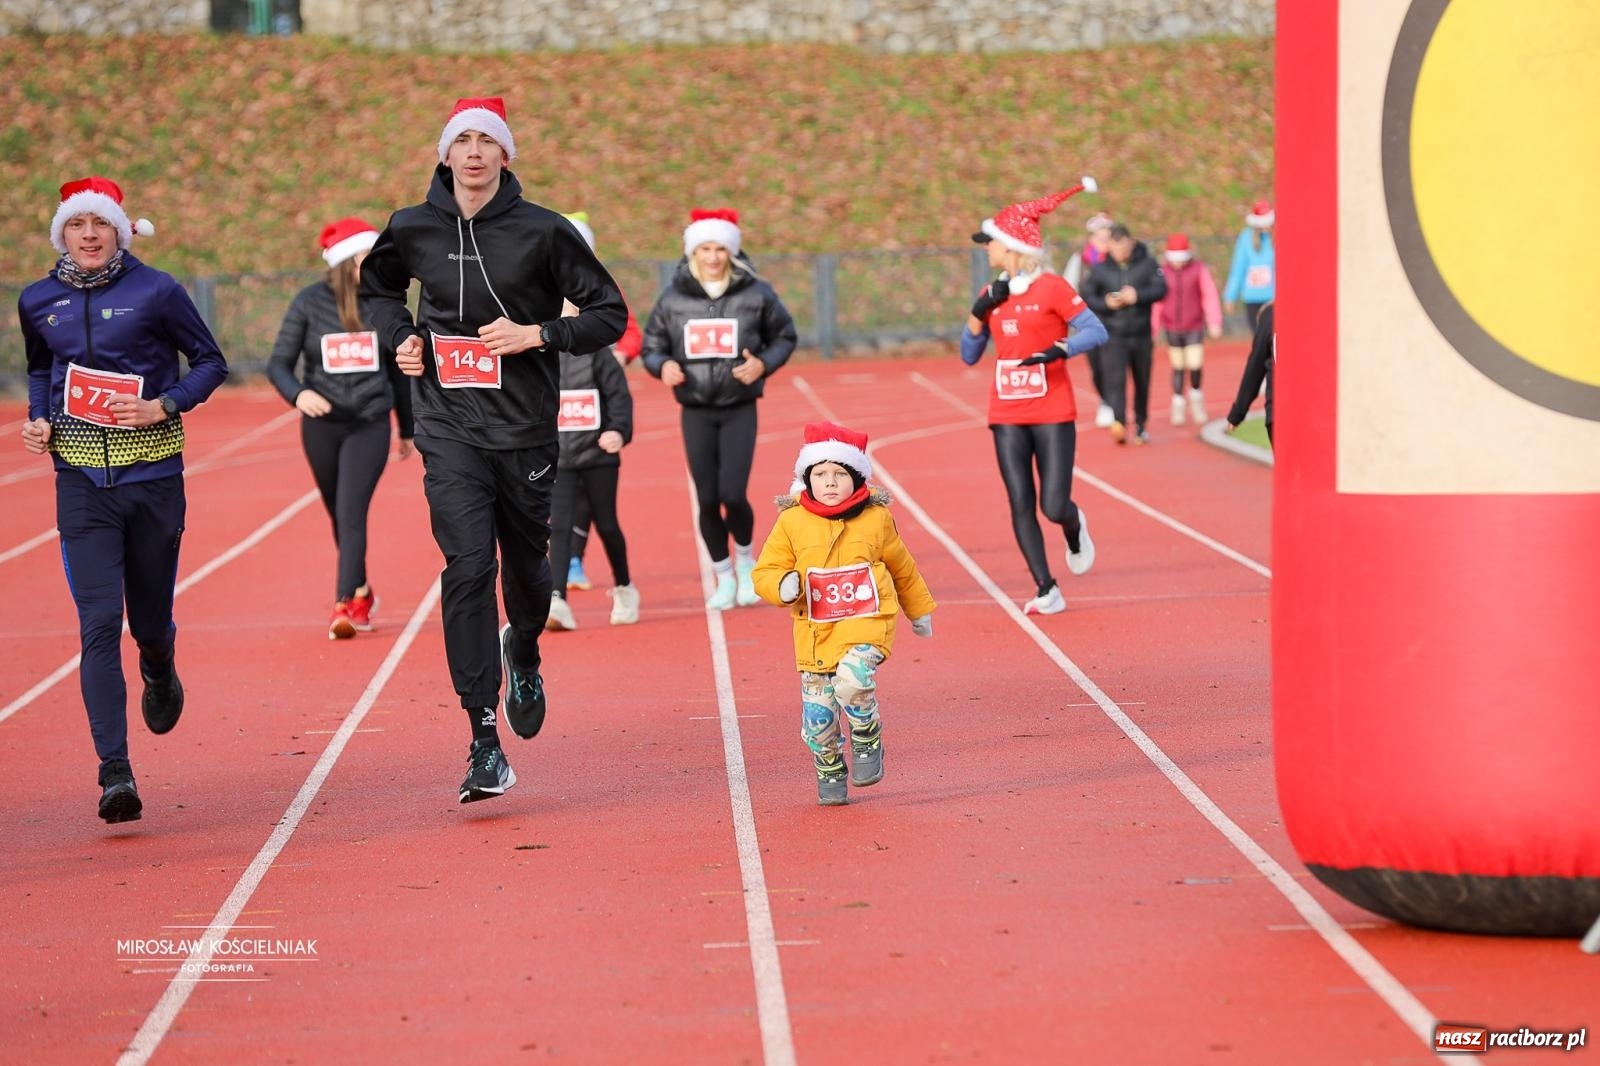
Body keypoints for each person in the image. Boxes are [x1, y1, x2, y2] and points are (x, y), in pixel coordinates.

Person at [359, 97, 627, 803]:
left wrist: (539, 334)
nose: (474, 152)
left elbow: (609, 314)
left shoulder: (545, 230)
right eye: (462, 140)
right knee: (469, 567)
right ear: (445, 154)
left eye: (487, 141)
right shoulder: (411, 226)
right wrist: (402, 338)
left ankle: (524, 647)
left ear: (505, 155)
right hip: (447, 425)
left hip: (524, 427)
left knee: (528, 571)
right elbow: (378, 290)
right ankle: (483, 740)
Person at [18, 176, 229, 824]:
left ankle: (159, 665)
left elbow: (211, 362)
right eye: (77, 224)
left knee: (148, 622)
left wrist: (163, 404)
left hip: (153, 479)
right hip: (81, 484)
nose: (88, 235)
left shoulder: (157, 290)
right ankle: (115, 772)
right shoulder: (38, 300)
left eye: (99, 224)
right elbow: (40, 369)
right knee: (98, 622)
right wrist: (39, 419)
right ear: (62, 233)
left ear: (119, 230)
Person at [751, 422, 937, 805]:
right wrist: (782, 585)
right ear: (807, 479)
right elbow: (765, 571)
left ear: (856, 478)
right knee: (818, 722)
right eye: (821, 475)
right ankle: (829, 767)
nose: (831, 482)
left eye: (839, 474)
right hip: (815, 634)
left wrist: (918, 610)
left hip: (866, 623)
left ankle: (867, 735)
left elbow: (902, 567)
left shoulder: (876, 519)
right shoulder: (791, 522)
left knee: (852, 681)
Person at [961, 182, 1109, 615]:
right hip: (1006, 412)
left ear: (1011, 246)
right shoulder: (992, 293)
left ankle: (1074, 526)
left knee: (1054, 504)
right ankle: (1046, 587)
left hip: (1052, 409)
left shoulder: (1052, 288)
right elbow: (969, 354)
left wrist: (1061, 349)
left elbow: (1096, 330)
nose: (986, 249)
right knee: (1020, 500)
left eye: (991, 242)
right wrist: (978, 311)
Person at [641, 208, 797, 609]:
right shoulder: (673, 298)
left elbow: (784, 336)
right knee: (708, 498)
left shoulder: (756, 293)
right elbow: (652, 346)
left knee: (733, 492)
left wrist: (762, 364)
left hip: (739, 406)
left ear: (732, 252)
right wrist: (663, 365)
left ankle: (746, 562)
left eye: (720, 249)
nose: (713, 257)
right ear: (693, 252)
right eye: (705, 249)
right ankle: (723, 575)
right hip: (695, 408)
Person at [268, 217, 415, 639]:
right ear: (348, 260)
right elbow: (278, 364)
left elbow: (399, 371)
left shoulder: (383, 304)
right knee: (338, 512)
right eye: (370, 256)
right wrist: (299, 395)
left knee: (351, 511)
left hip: (369, 422)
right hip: (321, 426)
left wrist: (407, 428)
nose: (378, 262)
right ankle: (362, 587)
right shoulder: (309, 302)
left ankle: (345, 603)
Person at [559, 211, 639, 597]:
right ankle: (559, 587)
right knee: (559, 517)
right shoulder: (533, 291)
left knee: (602, 515)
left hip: (598, 432)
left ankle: (620, 583)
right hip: (557, 443)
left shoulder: (602, 288)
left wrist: (618, 357)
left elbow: (630, 330)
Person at [544, 301, 637, 631]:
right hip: (559, 457)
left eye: (572, 308)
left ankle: (624, 587)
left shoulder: (598, 352)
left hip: (598, 455)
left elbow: (619, 397)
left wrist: (618, 430)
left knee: (607, 525)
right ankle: (557, 599)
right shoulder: (541, 352)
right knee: (558, 527)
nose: (566, 313)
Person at [1080, 223, 1167, 444]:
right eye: (1115, 248)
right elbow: (1087, 296)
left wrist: (1138, 296)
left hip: (1141, 333)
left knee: (1142, 380)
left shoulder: (1147, 264)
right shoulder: (1099, 269)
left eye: (1124, 247)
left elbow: (1161, 289)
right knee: (1115, 380)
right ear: (1109, 246)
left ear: (1132, 243)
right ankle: (1118, 421)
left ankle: (1140, 425)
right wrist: (1106, 302)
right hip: (1113, 333)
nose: (1120, 252)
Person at [1149, 233, 1223, 429]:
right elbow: (1157, 302)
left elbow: (1209, 295)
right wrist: (1154, 328)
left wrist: (1214, 321)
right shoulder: (1162, 272)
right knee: (1178, 366)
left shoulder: (1199, 269)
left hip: (1194, 325)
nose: (1178, 263)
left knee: (1195, 364)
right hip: (1172, 326)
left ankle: (1197, 398)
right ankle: (1178, 403)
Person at [1065, 212, 1116, 428]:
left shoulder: (1119, 259)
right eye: (1099, 235)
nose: (1103, 239)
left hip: (1115, 322)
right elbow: (1068, 288)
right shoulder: (1080, 261)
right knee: (1097, 367)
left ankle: (1114, 403)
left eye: (1107, 234)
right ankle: (1105, 400)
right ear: (1091, 238)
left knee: (1114, 365)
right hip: (1090, 323)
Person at [1226, 301, 1275, 446]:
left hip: (1278, 414)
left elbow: (1254, 367)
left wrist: (1238, 413)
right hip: (1302, 414)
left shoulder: (1270, 314)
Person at [1223, 199, 1276, 333]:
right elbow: (1238, 268)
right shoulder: (1245, 238)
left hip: (1273, 297)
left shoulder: (1277, 237)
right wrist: (1230, 296)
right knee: (1259, 336)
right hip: (1252, 298)